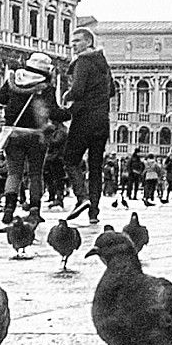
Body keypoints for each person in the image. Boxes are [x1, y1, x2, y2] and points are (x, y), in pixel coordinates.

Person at [0, 50, 63, 220]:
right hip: (36, 136)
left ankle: (9, 208)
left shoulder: (13, 79)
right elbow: (53, 112)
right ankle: (34, 210)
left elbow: (1, 98)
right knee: (35, 174)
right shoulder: (46, 87)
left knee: (14, 173)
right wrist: (70, 113)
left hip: (13, 134)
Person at [66, 26, 112, 221]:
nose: (73, 45)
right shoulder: (103, 63)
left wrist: (66, 96)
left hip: (84, 119)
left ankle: (82, 197)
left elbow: (77, 90)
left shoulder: (83, 61)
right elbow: (112, 91)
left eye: (77, 41)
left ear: (88, 42)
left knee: (70, 159)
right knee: (95, 167)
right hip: (102, 121)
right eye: (72, 42)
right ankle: (94, 212)